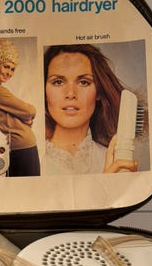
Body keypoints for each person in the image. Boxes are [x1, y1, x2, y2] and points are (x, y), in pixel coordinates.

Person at [44, 43, 142, 175]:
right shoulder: (27, 161)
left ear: (99, 92)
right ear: (44, 92)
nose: (71, 94)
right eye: (58, 82)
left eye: (83, 82)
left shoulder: (114, 163)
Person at [0, 39, 40, 177]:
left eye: (12, 69)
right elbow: (30, 111)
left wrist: (26, 118)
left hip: (18, 147)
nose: (9, 73)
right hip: (24, 147)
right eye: (6, 66)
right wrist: (28, 119)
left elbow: (19, 114)